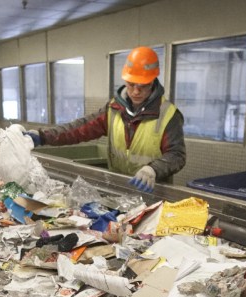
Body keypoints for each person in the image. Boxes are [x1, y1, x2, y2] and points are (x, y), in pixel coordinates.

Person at [26, 46, 186, 193]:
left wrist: (153, 169)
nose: (136, 92)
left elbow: (176, 154)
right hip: (120, 191)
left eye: (142, 86)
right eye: (131, 85)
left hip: (153, 193)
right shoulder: (114, 109)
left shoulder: (168, 115)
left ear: (152, 82)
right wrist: (43, 136)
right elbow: (78, 130)